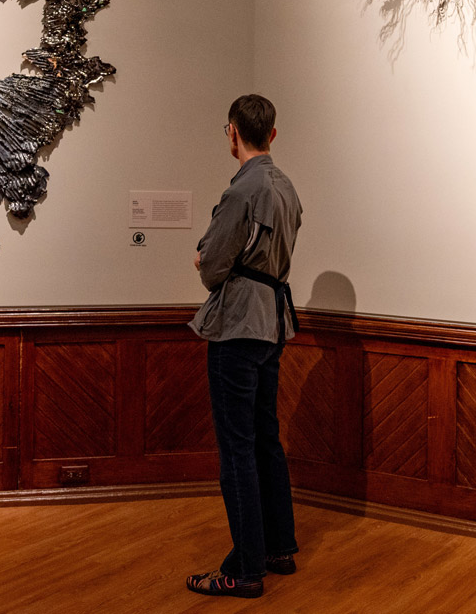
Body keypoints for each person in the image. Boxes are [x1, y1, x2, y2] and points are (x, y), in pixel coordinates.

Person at [186, 94, 302, 600]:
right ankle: (278, 548)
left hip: (238, 326)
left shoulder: (242, 191)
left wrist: (202, 260)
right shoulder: (287, 187)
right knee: (265, 439)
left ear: (231, 131)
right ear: (272, 134)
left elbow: (210, 265)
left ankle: (244, 568)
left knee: (237, 449)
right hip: (274, 323)